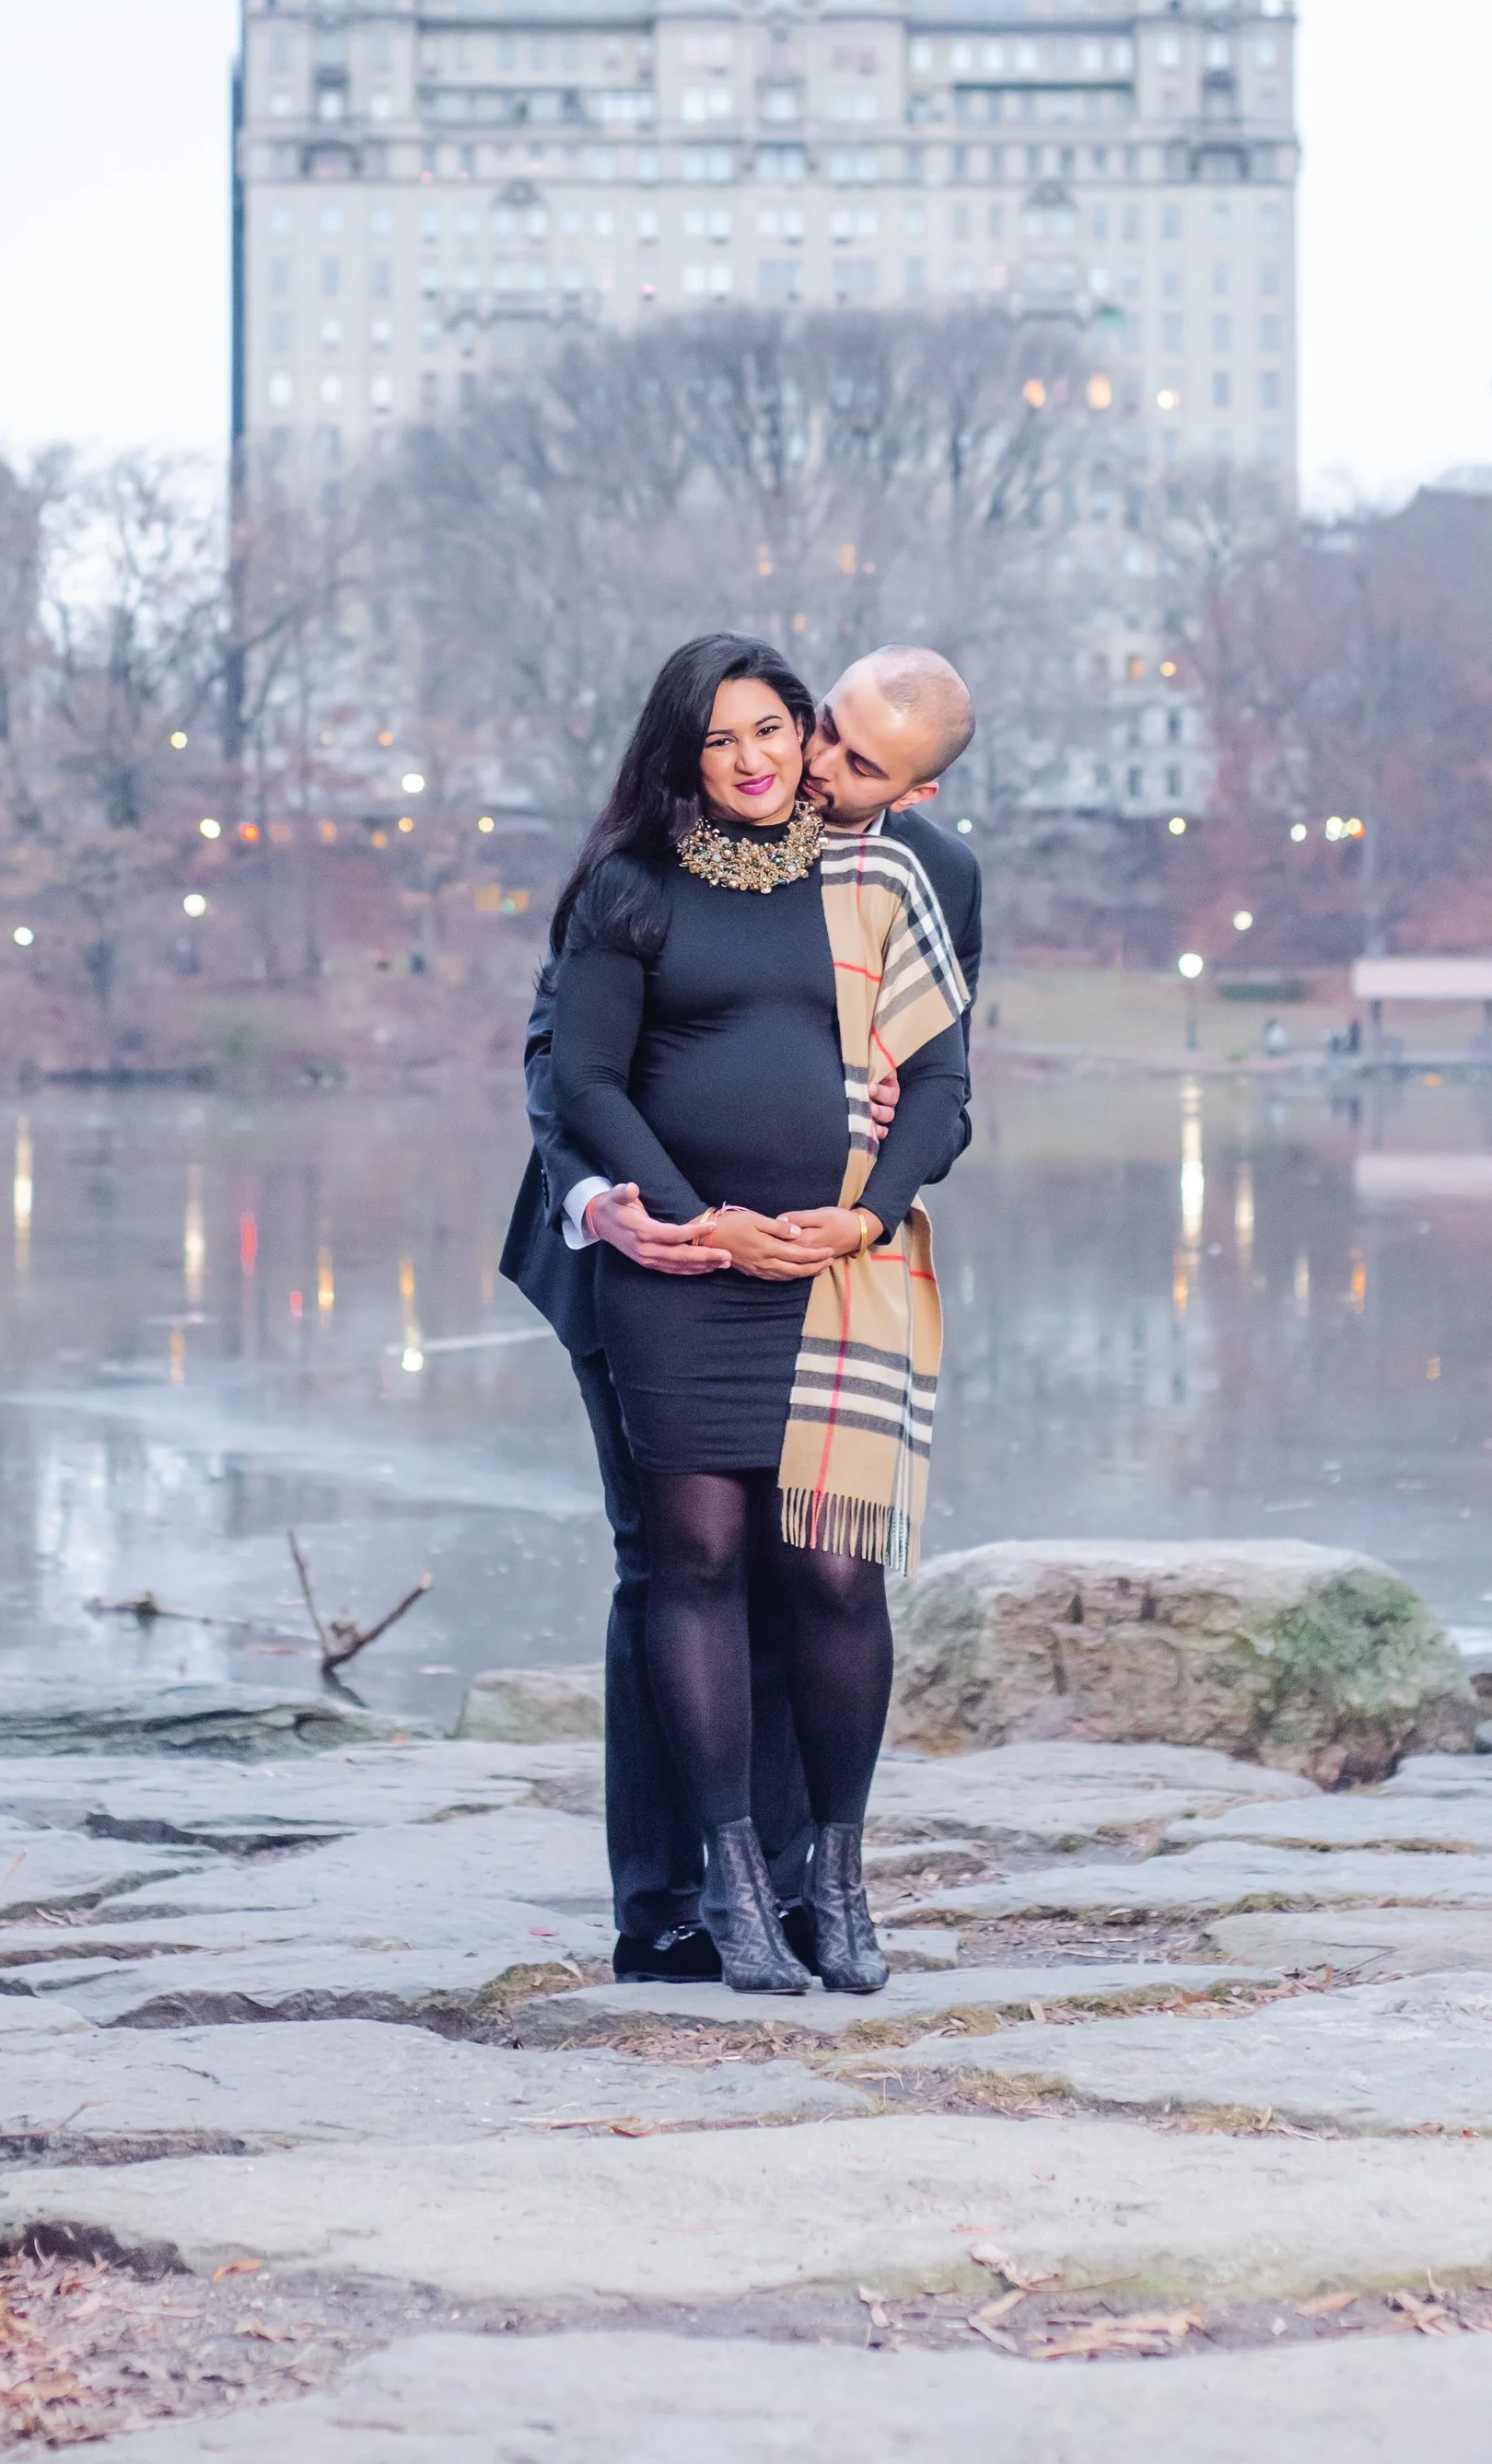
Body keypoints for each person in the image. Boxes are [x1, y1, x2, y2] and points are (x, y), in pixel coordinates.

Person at [500, 645, 982, 1983]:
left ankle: (799, 1888)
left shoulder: (928, 877)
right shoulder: (657, 866)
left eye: (850, 760)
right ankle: (672, 1903)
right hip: (638, 1244)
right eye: (816, 729)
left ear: (915, 789)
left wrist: (874, 1182)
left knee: (815, 1566)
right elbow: (563, 1062)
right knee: (674, 1562)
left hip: (832, 1265)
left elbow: (941, 1083)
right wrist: (615, 1203)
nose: (809, 766)